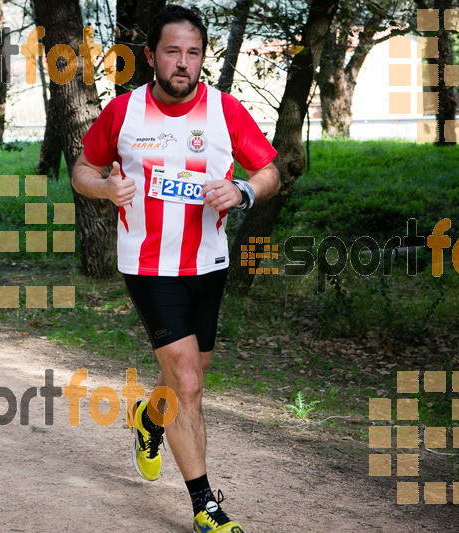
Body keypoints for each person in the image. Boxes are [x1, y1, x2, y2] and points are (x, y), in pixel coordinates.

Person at [72, 5, 279, 532]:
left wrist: (243, 192)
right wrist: (103, 188)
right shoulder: (123, 112)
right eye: (172, 52)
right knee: (186, 381)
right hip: (147, 263)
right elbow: (82, 170)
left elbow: (270, 170)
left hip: (208, 264)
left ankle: (148, 417)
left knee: (189, 380)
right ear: (150, 57)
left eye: (192, 53)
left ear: (201, 58)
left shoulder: (225, 112)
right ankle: (206, 507)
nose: (182, 63)